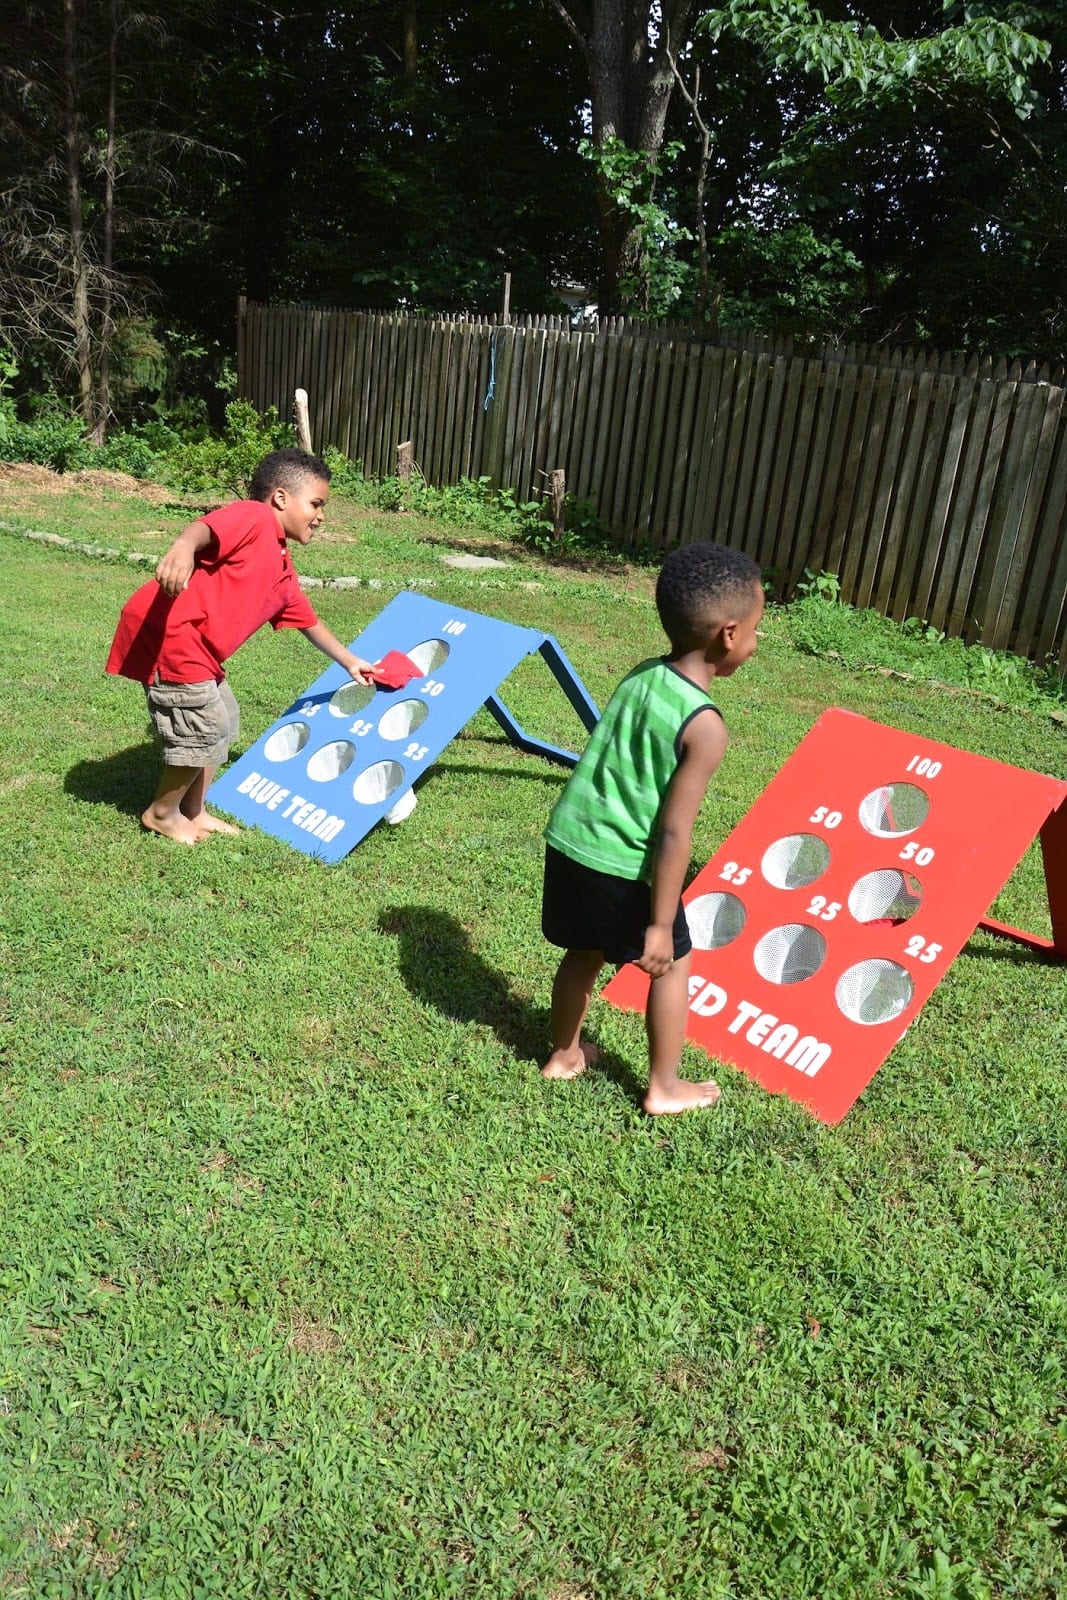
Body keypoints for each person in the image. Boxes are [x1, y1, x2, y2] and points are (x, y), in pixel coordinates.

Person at [540, 541, 764, 1114]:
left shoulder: (643, 674)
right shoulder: (706, 726)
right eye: (758, 629)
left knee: (584, 950)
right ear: (730, 635)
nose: (758, 643)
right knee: (674, 965)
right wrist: (661, 924)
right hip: (622, 864)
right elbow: (673, 834)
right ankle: (664, 1086)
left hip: (572, 841)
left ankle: (563, 1054)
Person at [106, 447, 373, 844]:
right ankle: (162, 813)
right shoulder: (255, 517)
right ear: (281, 498)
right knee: (203, 727)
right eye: (316, 503)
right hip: (174, 638)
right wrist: (182, 546)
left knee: (224, 719)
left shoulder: (282, 567)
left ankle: (193, 811)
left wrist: (351, 662)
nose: (321, 516)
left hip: (200, 649)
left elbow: (308, 620)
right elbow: (206, 528)